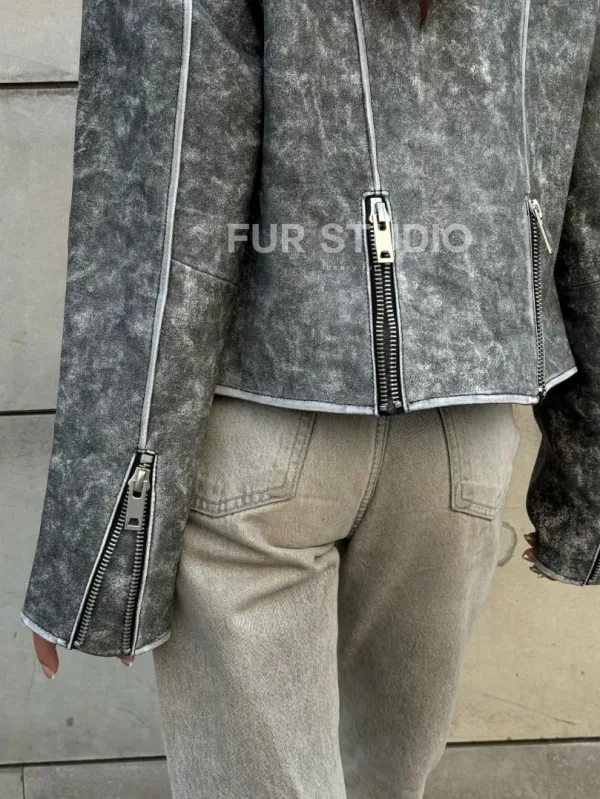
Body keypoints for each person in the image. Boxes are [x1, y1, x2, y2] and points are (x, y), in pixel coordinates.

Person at [22, 0, 600, 796]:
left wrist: (101, 553)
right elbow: (590, 208)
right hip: (458, 446)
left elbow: (160, 218)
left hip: (258, 450)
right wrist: (586, 485)